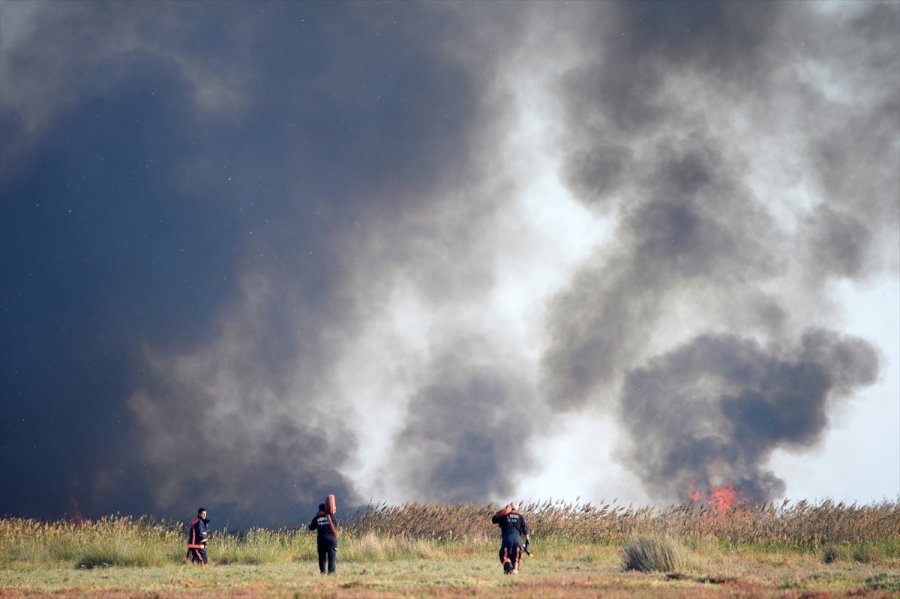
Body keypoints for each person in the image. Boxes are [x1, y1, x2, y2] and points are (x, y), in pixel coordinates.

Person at [491, 502, 530, 574]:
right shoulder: (521, 517)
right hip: (517, 540)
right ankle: (514, 570)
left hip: (507, 539)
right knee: (516, 558)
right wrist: (527, 541)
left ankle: (508, 565)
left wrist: (500, 512)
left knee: (504, 555)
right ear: (517, 508)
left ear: (510, 507)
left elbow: (493, 520)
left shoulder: (504, 516)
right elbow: (526, 531)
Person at [309, 502, 340, 574]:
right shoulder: (332, 517)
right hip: (331, 540)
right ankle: (331, 572)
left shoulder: (317, 518)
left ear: (320, 510)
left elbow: (311, 527)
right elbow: (335, 525)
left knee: (322, 557)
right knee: (331, 557)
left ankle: (322, 572)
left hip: (321, 541)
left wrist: (316, 517)